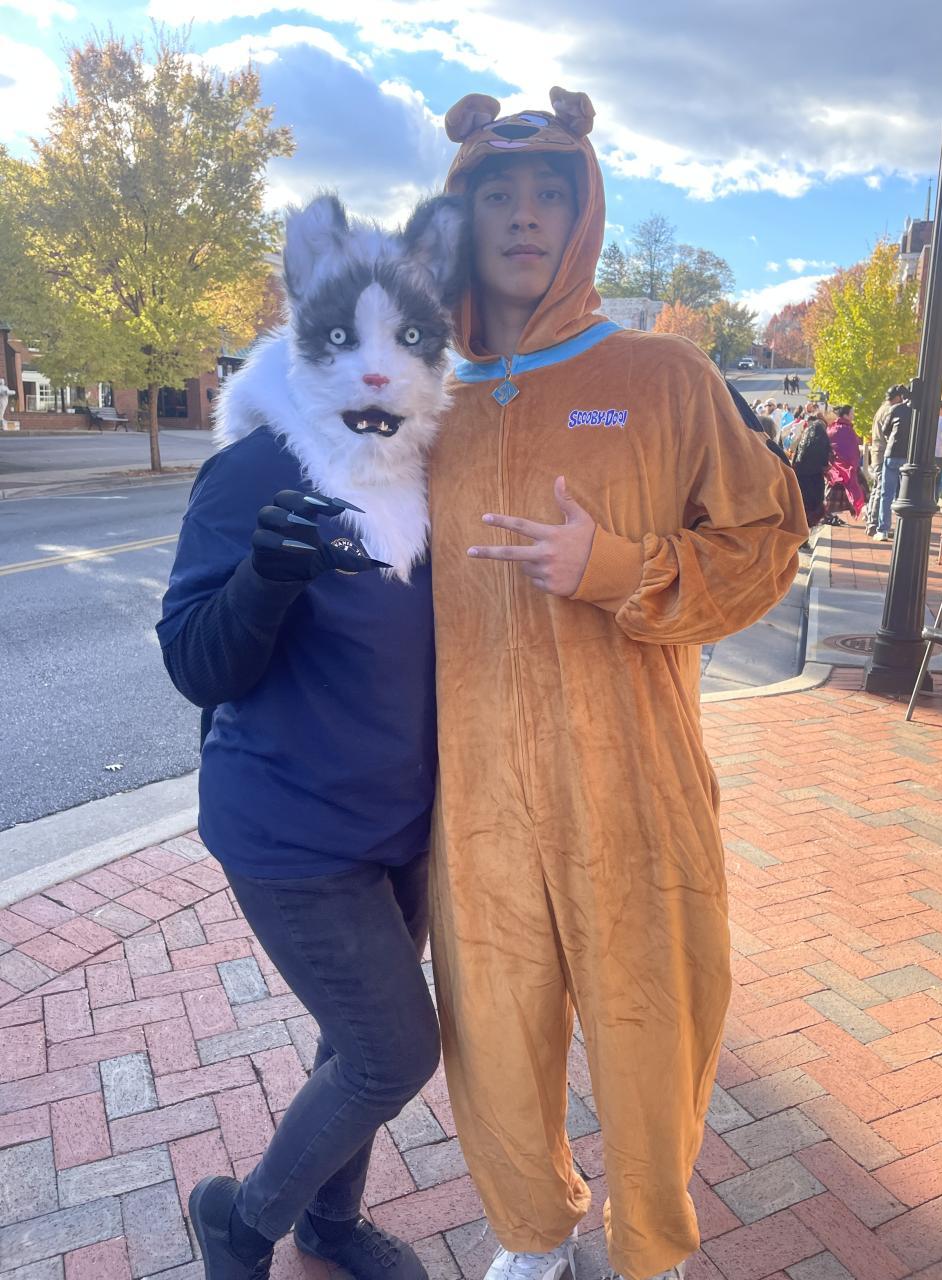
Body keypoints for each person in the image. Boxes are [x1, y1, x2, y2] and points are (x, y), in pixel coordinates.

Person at [428, 88, 807, 1280]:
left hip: (633, 779)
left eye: (550, 192)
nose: (523, 216)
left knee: (655, 1022)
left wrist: (620, 570)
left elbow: (766, 539)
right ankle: (532, 1229)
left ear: (583, 211)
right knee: (493, 1029)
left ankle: (650, 1243)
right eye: (498, 193)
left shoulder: (662, 375)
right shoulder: (420, 401)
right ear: (460, 214)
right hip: (474, 793)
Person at [156, 194, 467, 1280]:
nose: (378, 368)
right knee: (393, 1049)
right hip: (291, 832)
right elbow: (194, 661)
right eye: (353, 338)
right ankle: (242, 1220)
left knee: (354, 1041)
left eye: (406, 337)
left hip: (402, 826)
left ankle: (332, 1224)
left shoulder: (431, 468)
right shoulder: (254, 469)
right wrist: (265, 577)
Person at [874, 384, 911, 541]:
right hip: (908, 456)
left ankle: (883, 529)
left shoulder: (895, 409)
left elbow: (885, 430)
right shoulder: (917, 412)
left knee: (886, 493)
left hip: (892, 454)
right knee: (904, 496)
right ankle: (902, 529)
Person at [864, 386, 899, 535]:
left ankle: (871, 521)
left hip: (877, 451)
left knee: (877, 487)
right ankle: (874, 524)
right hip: (883, 452)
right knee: (881, 488)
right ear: (897, 397)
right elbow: (889, 434)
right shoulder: (889, 410)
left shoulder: (882, 408)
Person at [824, 405, 865, 521]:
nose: (853, 416)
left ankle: (828, 514)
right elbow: (852, 449)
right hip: (846, 466)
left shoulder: (832, 427)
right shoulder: (846, 429)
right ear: (846, 415)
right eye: (852, 413)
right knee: (857, 490)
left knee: (832, 493)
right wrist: (853, 463)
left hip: (835, 466)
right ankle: (827, 515)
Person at [792, 413, 832, 531]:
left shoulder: (804, 439)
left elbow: (795, 458)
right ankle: (807, 530)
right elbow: (825, 462)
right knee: (813, 507)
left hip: (800, 477)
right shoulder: (823, 440)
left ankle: (800, 530)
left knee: (801, 505)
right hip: (815, 478)